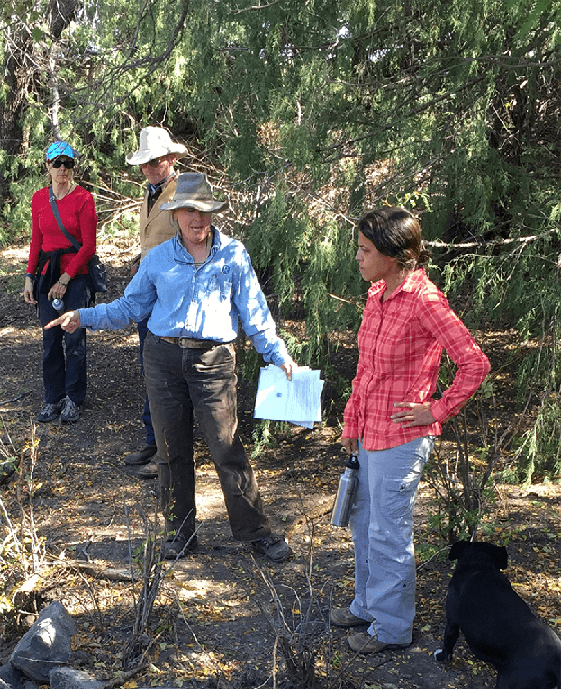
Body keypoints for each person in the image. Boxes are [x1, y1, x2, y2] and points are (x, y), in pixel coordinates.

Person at [47, 172, 296, 562]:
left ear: (212, 214)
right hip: (162, 359)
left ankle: (255, 531)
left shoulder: (233, 254)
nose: (198, 219)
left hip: (214, 360)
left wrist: (278, 355)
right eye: (189, 212)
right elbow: (130, 308)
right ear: (175, 214)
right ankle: (180, 533)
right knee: (170, 450)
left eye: (204, 212)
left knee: (226, 447)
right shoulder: (159, 258)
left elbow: (255, 313)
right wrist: (85, 316)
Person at [331, 207, 490, 654]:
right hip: (369, 433)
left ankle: (393, 628)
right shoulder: (379, 293)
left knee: (389, 533)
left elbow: (475, 362)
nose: (358, 258)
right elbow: (366, 369)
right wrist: (352, 421)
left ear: (393, 255)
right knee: (364, 526)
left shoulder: (425, 301)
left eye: (365, 250)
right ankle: (367, 605)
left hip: (401, 440)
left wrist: (436, 410)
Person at [123, 126, 188, 478]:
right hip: (148, 290)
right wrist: (140, 260)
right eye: (145, 161)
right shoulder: (149, 193)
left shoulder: (183, 191)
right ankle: (154, 440)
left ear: (171, 159)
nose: (149, 166)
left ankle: (168, 452)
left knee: (167, 374)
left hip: (172, 295)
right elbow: (154, 240)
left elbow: (193, 242)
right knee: (151, 369)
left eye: (156, 160)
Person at [23, 140, 97, 423]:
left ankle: (73, 398)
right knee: (50, 339)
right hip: (46, 273)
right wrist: (30, 276)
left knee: (74, 336)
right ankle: (52, 398)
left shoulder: (83, 199)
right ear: (48, 167)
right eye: (57, 163)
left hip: (76, 275)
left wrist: (66, 279)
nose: (63, 169)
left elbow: (88, 246)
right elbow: (36, 242)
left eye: (68, 164)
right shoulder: (39, 199)